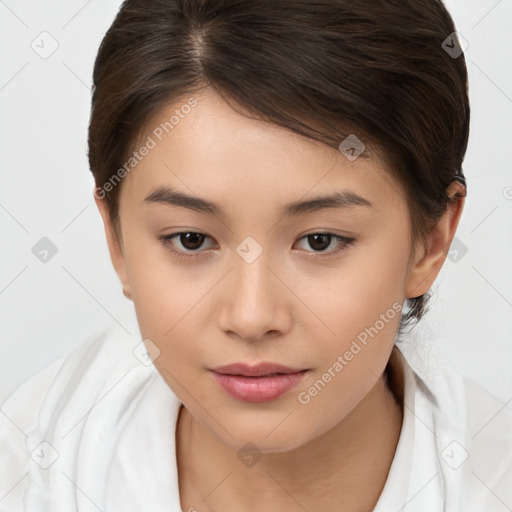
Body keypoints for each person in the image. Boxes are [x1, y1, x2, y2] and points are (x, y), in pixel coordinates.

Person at [1, 0, 511, 510]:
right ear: (117, 239)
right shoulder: (34, 467)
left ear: (432, 240)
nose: (251, 317)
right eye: (191, 240)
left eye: (320, 241)